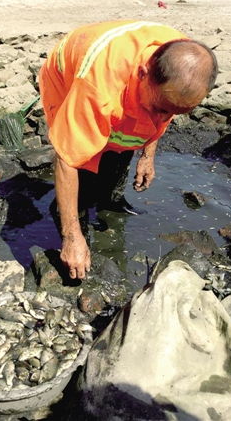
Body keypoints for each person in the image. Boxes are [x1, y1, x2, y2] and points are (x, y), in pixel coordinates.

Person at [39, 20, 218, 280]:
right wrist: (71, 237)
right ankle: (69, 216)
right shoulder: (98, 86)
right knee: (83, 150)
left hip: (124, 83)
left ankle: (108, 199)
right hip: (67, 78)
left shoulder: (184, 64)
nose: (163, 117)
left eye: (175, 112)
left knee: (129, 128)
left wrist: (148, 155)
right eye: (161, 108)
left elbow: (161, 115)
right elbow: (67, 159)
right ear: (143, 73)